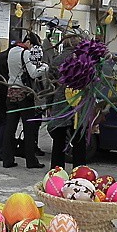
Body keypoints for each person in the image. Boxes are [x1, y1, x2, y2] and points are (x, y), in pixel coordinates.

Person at [0, 33, 49, 169]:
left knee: (10, 127)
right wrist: (44, 67)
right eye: (32, 45)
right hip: (24, 93)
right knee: (29, 127)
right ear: (28, 42)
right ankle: (31, 161)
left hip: (11, 91)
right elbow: (33, 73)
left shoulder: (11, 51)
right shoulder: (25, 53)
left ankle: (7, 159)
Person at [48, 33, 88, 169]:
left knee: (58, 140)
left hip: (60, 103)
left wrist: (49, 104)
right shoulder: (85, 59)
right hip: (80, 104)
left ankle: (57, 171)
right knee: (79, 140)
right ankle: (79, 172)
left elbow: (50, 85)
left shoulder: (57, 60)